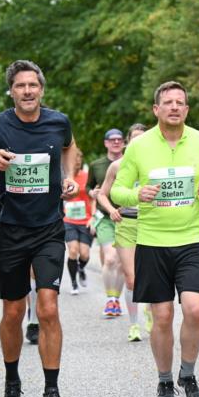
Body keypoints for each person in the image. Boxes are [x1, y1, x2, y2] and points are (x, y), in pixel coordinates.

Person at [0, 59, 77, 397]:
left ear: (41, 89)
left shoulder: (57, 121)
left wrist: (68, 175)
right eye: (20, 86)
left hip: (49, 228)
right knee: (14, 311)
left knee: (48, 308)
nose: (27, 91)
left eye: (33, 85)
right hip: (10, 229)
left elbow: (69, 146)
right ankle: (12, 381)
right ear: (11, 91)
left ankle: (53, 390)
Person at [111, 81, 199, 397]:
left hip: (190, 241)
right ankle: (164, 381)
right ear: (156, 110)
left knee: (195, 309)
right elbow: (118, 191)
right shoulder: (139, 146)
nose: (174, 107)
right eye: (168, 102)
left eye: (180, 102)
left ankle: (187, 375)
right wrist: (137, 194)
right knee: (161, 318)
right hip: (151, 243)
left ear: (186, 110)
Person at [97, 122, 153, 342]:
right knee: (131, 279)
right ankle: (134, 325)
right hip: (127, 225)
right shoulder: (118, 166)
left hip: (152, 224)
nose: (139, 142)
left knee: (151, 276)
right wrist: (111, 210)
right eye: (135, 138)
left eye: (143, 138)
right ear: (129, 141)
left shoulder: (154, 164)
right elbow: (102, 194)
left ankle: (149, 310)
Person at [87, 128, 127, 317]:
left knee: (120, 262)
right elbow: (89, 187)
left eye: (120, 139)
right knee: (110, 258)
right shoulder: (96, 165)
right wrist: (91, 193)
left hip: (126, 216)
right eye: (112, 140)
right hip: (105, 216)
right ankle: (110, 299)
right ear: (106, 143)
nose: (116, 142)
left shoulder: (130, 163)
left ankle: (116, 299)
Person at [63, 148, 94, 295]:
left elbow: (93, 197)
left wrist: (94, 217)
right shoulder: (64, 177)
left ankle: (81, 268)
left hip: (85, 220)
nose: (76, 161)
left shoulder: (86, 176)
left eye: (79, 159)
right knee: (73, 250)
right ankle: (74, 283)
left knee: (85, 254)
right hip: (68, 219)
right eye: (74, 158)